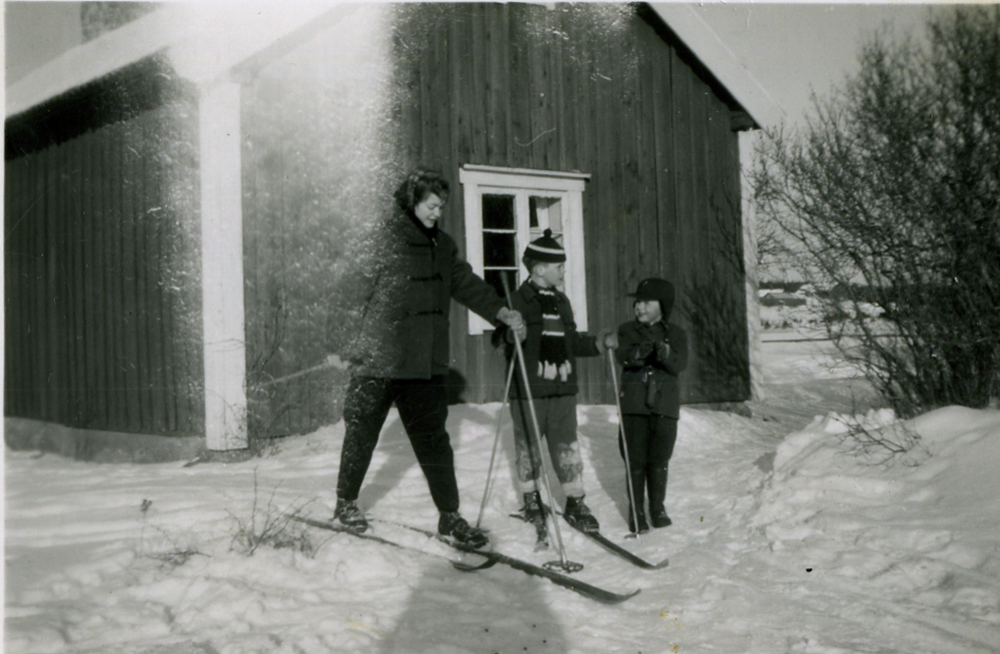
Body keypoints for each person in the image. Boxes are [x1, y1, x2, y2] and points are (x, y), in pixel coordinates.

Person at [332, 169, 525, 548]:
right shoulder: (382, 242)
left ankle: (449, 517)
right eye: (431, 205)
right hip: (378, 360)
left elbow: (467, 285)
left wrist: (501, 312)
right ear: (412, 202)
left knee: (434, 442)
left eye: (442, 207)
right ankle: (346, 501)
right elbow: (350, 295)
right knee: (362, 433)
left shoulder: (443, 247)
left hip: (424, 364)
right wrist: (344, 345)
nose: (438, 213)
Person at [493, 229, 617, 535]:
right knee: (529, 447)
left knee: (566, 445)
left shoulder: (562, 301)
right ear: (539, 269)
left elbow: (571, 342)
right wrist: (514, 334)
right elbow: (501, 340)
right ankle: (531, 498)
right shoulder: (516, 301)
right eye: (559, 266)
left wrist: (599, 345)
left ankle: (575, 500)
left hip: (562, 389)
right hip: (530, 390)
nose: (563, 270)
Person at [615, 277, 688, 533]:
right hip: (634, 406)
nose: (639, 307)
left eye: (646, 302)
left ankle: (657, 508)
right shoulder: (626, 330)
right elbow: (621, 355)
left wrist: (664, 353)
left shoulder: (677, 334)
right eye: (637, 302)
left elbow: (680, 364)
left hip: (664, 407)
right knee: (635, 459)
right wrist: (637, 354)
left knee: (659, 458)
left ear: (663, 305)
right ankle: (636, 512)